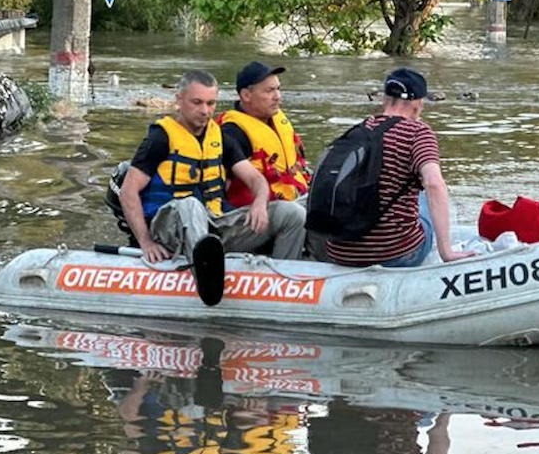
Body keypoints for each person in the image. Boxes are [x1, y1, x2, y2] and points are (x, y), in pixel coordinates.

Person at [118, 70, 305, 305]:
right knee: (190, 205)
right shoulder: (160, 138)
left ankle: (282, 286)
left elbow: (256, 180)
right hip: (169, 228)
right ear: (179, 100)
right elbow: (128, 191)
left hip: (214, 225)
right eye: (197, 102)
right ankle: (207, 282)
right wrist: (145, 242)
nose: (205, 111)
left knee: (292, 213)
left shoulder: (221, 138)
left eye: (210, 103)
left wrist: (259, 204)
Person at [319, 67, 473, 267]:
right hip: (396, 254)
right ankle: (442, 247)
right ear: (418, 104)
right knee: (425, 193)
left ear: (384, 99)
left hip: (341, 253)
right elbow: (434, 184)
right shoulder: (418, 132)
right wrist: (446, 252)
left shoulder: (358, 131)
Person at [216, 61, 311, 207]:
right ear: (246, 95)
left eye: (278, 89)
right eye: (269, 91)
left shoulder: (276, 119)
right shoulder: (233, 132)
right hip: (261, 210)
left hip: (297, 195)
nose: (277, 96)